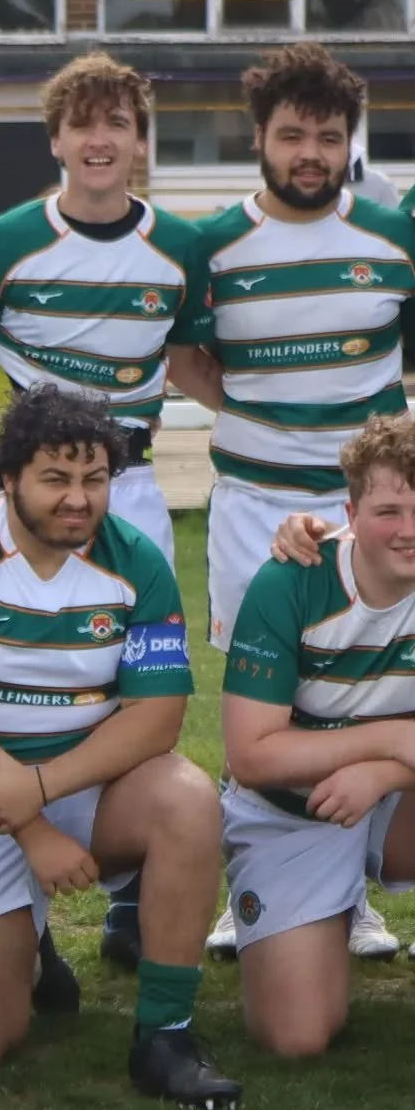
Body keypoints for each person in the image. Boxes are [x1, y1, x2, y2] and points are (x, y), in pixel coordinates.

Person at [0, 385, 240, 1110]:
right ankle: (30, 940)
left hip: (85, 792)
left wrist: (43, 791)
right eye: (55, 479)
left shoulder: (137, 560)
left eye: (95, 479)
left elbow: (158, 718)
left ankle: (165, 1036)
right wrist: (31, 828)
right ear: (9, 477)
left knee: (187, 797)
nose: (77, 499)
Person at [0, 53, 213, 972]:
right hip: (22, 494)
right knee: (5, 677)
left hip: (132, 488)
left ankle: (129, 888)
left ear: (140, 140)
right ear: (56, 138)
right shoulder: (2, 242)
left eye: (118, 123)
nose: (99, 140)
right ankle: (12, 901)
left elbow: (193, 362)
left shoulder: (180, 247)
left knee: (133, 688)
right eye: (82, 124)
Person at [188, 43, 415, 963]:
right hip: (254, 502)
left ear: (348, 140)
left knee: (365, 682)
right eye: (292, 135)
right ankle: (259, 872)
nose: (310, 152)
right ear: (261, 139)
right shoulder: (212, 243)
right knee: (259, 706)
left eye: (328, 135)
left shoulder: (392, 234)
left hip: (364, 497)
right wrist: (267, 424)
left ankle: (354, 892)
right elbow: (188, 365)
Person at [221, 413, 415, 1053]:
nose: (408, 531)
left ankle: (341, 899)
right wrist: (388, 741)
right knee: (297, 1037)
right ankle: (328, 904)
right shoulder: (291, 581)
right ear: (349, 511)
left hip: (397, 796)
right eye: (389, 511)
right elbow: (250, 753)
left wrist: (383, 773)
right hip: (293, 809)